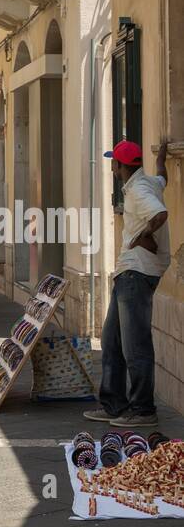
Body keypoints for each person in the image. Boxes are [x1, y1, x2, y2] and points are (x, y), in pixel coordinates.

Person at [84, 140, 170, 429]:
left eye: (113, 161)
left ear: (120, 166)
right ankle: (113, 403)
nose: (112, 166)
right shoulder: (148, 181)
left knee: (135, 346)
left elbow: (159, 214)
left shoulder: (137, 190)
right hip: (130, 272)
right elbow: (163, 177)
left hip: (137, 272)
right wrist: (162, 158)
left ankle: (143, 409)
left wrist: (142, 236)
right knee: (111, 340)